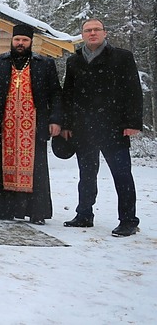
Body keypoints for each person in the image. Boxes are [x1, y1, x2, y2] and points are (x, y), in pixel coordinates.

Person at [61, 18, 142, 237]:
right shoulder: (74, 61)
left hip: (113, 126)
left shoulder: (122, 57)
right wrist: (67, 124)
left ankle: (128, 220)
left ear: (105, 33)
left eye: (97, 30)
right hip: (83, 128)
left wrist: (132, 123)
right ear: (82, 35)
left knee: (122, 174)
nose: (92, 33)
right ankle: (84, 214)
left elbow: (133, 90)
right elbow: (68, 94)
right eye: (88, 30)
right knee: (86, 174)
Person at [0, 24, 62, 225]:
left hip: (33, 127)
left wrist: (56, 119)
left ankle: (36, 211)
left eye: (24, 40)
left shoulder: (44, 64)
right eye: (17, 40)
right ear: (12, 40)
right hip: (4, 125)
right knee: (1, 167)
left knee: (36, 170)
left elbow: (55, 94)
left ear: (31, 42)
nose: (20, 43)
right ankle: (2, 209)